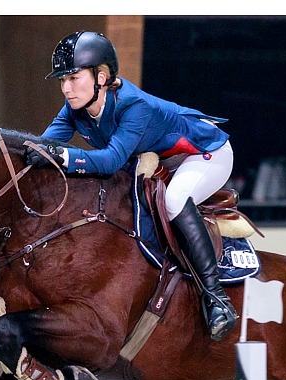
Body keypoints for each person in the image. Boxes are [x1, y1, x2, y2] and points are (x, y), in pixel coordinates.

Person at [25, 31, 238, 341]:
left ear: (101, 76)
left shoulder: (133, 106)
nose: (66, 88)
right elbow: (43, 146)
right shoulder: (75, 108)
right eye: (62, 81)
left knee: (175, 199)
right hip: (163, 159)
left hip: (205, 152)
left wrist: (63, 156)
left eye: (73, 78)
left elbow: (110, 162)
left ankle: (216, 298)